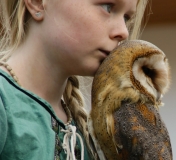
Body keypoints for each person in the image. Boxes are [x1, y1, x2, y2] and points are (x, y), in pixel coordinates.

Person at [0, 0, 149, 159]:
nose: (124, 32)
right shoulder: (4, 102)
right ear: (37, 2)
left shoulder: (82, 132)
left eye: (126, 18)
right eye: (107, 7)